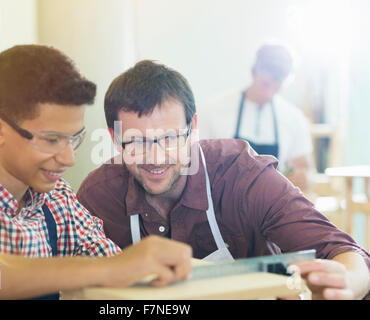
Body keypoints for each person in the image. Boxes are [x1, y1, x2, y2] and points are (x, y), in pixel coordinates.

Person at [77, 60, 370, 300]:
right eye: (136, 142)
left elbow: (344, 252)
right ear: (115, 139)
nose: (155, 157)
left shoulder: (243, 175)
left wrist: (347, 283)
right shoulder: (98, 197)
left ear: (192, 128)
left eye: (168, 138)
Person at [0, 45, 192, 300]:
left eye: (74, 139)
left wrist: (143, 269)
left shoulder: (57, 200)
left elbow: (111, 265)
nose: (69, 159)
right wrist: (112, 269)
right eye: (51, 140)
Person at [198, 44, 313, 192]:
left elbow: (306, 171)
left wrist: (298, 177)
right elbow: (197, 164)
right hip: (223, 205)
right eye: (265, 84)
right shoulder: (212, 109)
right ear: (254, 71)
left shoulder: (294, 117)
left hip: (272, 206)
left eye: (276, 86)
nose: (268, 93)